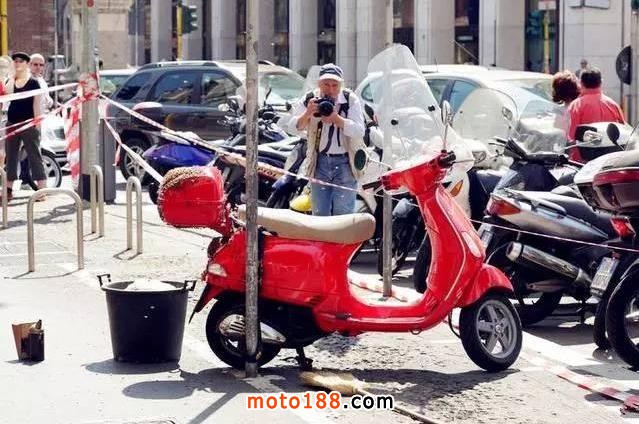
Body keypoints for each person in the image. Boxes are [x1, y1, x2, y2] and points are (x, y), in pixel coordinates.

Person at [288, 63, 366, 216]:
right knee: (319, 214)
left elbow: (359, 131)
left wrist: (337, 119)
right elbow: (293, 127)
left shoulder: (350, 100)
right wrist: (307, 113)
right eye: (326, 84)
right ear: (319, 84)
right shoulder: (311, 98)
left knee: (343, 215)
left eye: (335, 85)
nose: (330, 90)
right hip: (320, 162)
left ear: (341, 85)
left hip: (345, 163)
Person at [1, 52, 46, 202]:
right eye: (15, 61)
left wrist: (37, 125)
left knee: (35, 156)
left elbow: (37, 104)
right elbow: (6, 96)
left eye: (21, 61)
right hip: (12, 123)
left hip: (29, 124)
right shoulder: (11, 80)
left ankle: (42, 190)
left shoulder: (33, 82)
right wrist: (11, 77)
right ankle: (8, 190)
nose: (17, 63)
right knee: (11, 157)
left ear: (26, 64)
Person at [567, 67, 625, 162]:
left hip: (582, 164)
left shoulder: (576, 106)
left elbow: (570, 138)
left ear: (581, 83)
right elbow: (623, 133)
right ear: (601, 82)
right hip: (610, 162)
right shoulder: (613, 105)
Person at [18, 53, 54, 188]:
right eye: (35, 64)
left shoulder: (41, 80)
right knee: (28, 150)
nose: (38, 67)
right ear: (29, 65)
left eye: (41, 65)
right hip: (28, 120)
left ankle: (25, 179)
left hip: (39, 119)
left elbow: (47, 99)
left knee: (31, 150)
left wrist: (51, 103)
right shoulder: (26, 80)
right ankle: (24, 180)